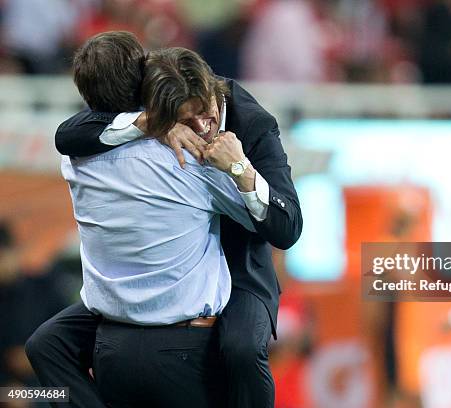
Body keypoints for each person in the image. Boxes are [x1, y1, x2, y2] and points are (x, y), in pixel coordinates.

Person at [26, 32, 302, 408]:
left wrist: (239, 168)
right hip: (170, 277)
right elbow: (68, 134)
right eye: (184, 120)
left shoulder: (254, 125)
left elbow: (287, 229)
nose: (201, 128)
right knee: (45, 343)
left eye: (205, 114)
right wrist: (149, 125)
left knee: (240, 349)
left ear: (213, 89)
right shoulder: (157, 112)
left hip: (240, 265)